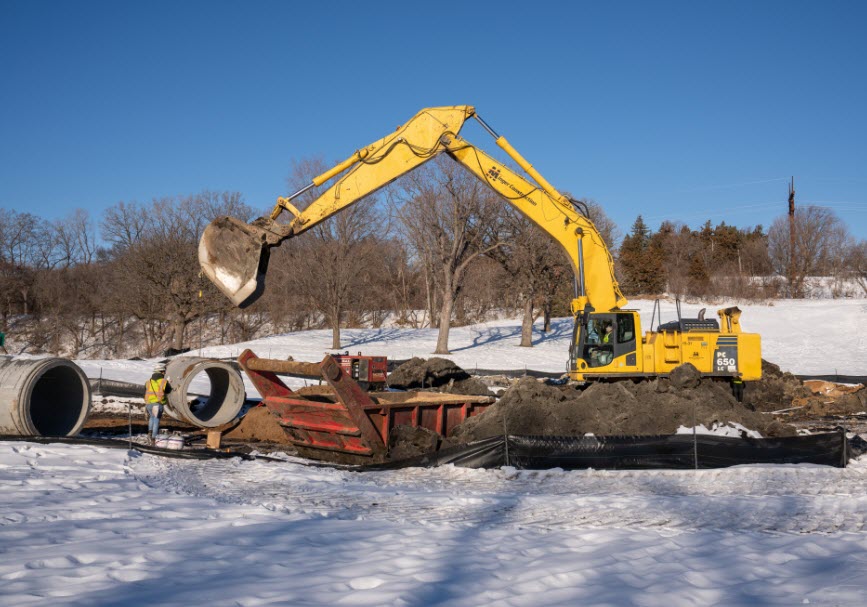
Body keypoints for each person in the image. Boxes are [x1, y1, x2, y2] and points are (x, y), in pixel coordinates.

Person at [144, 364, 170, 445]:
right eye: (164, 372)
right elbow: (168, 390)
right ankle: (154, 438)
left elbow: (145, 390)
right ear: (161, 372)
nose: (164, 373)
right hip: (157, 404)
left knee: (152, 418)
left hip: (149, 404)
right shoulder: (163, 381)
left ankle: (150, 433)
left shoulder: (148, 382)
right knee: (156, 420)